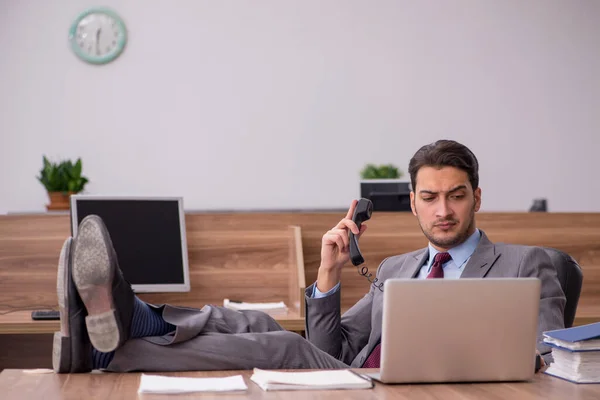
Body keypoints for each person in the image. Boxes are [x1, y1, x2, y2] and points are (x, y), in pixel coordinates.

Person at [53, 139, 565, 373]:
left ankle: (109, 342)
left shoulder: (527, 263)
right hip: (363, 376)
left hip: (414, 387)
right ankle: (131, 317)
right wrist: (327, 273)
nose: (444, 211)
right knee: (258, 325)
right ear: (413, 203)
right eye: (429, 198)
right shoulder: (398, 268)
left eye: (456, 195)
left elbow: (548, 356)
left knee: (285, 350)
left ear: (478, 197)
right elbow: (335, 347)